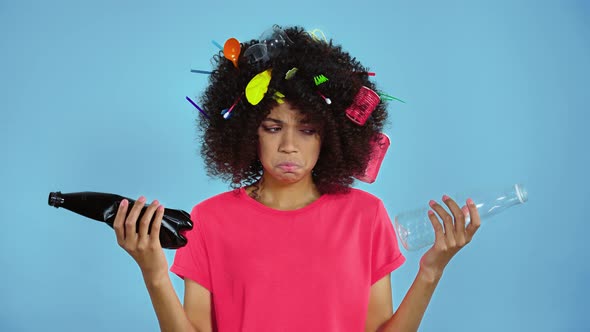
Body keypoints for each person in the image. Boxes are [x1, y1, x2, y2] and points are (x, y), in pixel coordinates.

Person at [112, 25, 481, 332]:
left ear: (331, 136)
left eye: (307, 130)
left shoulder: (366, 216)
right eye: (273, 128)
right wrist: (155, 273)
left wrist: (431, 270)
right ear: (248, 133)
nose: (289, 146)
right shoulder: (209, 220)